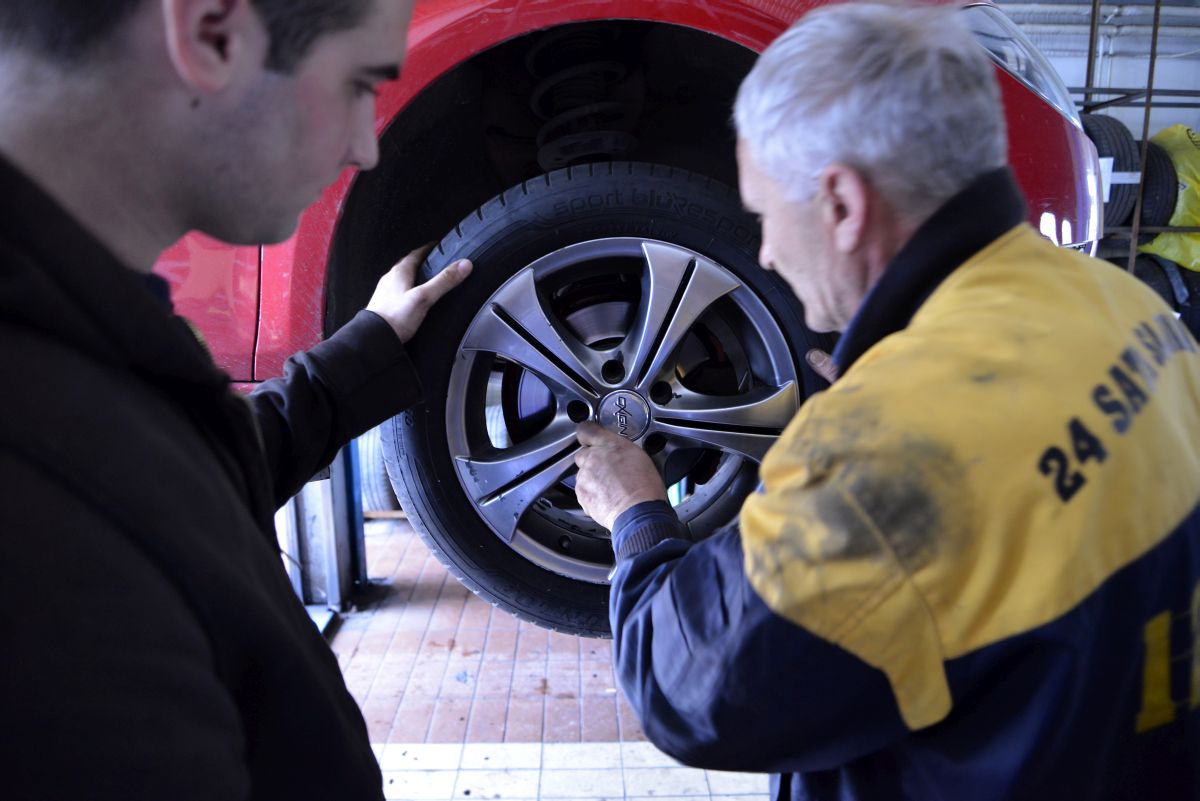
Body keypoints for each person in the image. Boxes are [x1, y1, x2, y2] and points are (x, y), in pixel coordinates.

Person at [573, 4, 1200, 799]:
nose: (765, 250)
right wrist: (898, 393)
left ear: (841, 203)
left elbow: (688, 687)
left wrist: (636, 514)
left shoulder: (883, 459)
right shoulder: (1127, 308)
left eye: (764, 213)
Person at [0, 1, 469, 798]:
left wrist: (365, 351)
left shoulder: (70, 341)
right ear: (211, 34)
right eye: (359, 84)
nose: (365, 145)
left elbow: (173, 481)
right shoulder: (37, 528)